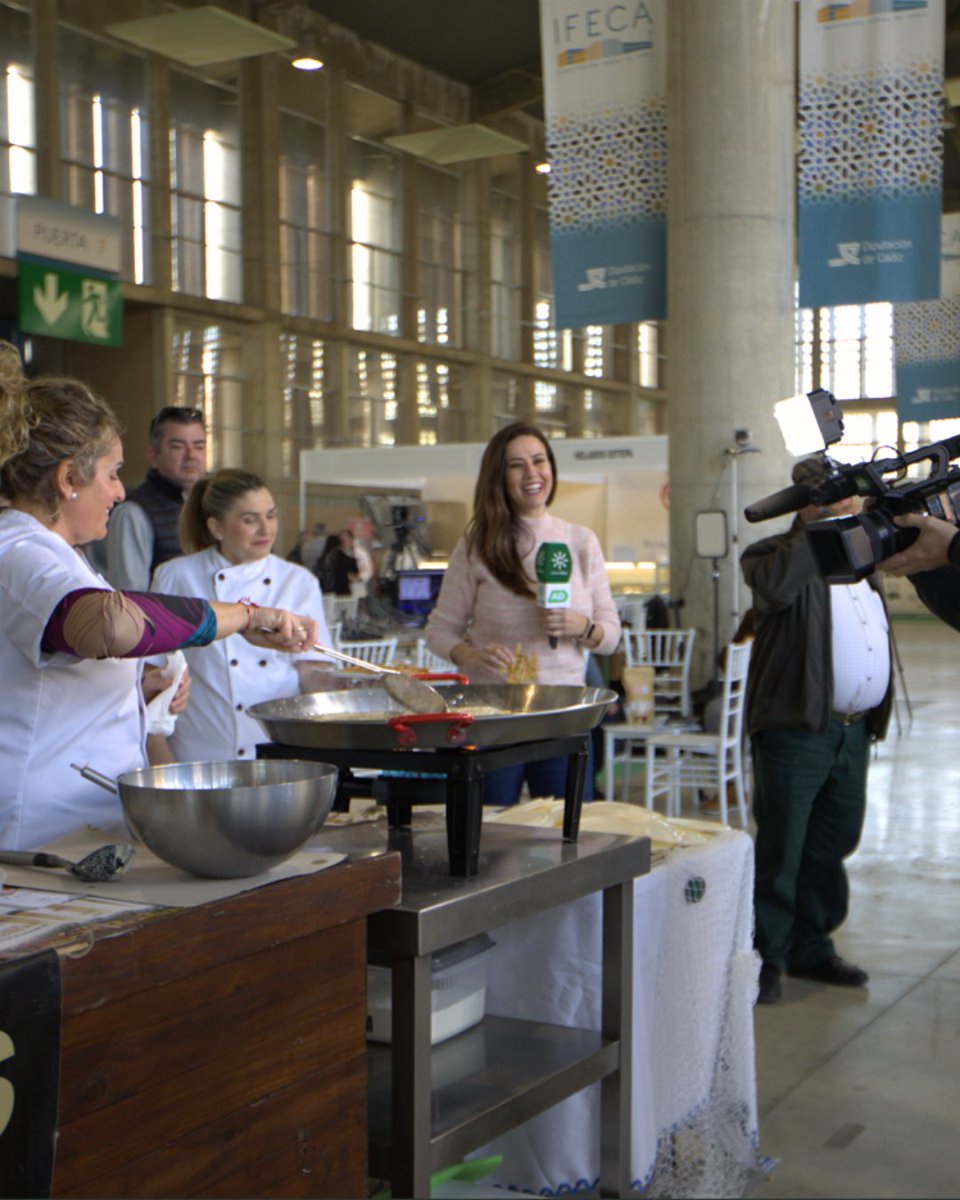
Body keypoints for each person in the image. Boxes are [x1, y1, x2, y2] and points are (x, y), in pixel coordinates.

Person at [0, 343, 318, 851]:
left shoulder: (58, 553)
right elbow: (110, 626)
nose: (120, 491)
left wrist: (137, 690)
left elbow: (58, 671)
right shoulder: (18, 550)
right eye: (110, 473)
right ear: (67, 480)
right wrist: (244, 616)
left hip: (80, 831)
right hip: (39, 831)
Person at [741, 455, 893, 1005]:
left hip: (853, 731)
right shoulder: (771, 556)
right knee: (782, 849)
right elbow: (776, 587)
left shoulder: (863, 559)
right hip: (797, 729)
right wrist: (814, 520)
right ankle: (766, 957)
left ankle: (812, 946)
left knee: (832, 843)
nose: (845, 499)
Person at [425, 421, 621, 805]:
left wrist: (582, 627)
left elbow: (611, 637)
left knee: (565, 834)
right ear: (499, 476)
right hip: (493, 716)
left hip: (563, 714)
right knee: (491, 834)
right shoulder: (476, 546)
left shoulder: (579, 541)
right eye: (517, 465)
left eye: (539, 461)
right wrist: (471, 655)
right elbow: (439, 631)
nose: (532, 474)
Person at [152, 469, 335, 762]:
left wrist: (345, 686)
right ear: (216, 527)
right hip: (199, 754)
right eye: (250, 520)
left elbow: (311, 670)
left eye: (271, 515)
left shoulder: (298, 581)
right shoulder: (175, 576)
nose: (266, 529)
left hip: (276, 751)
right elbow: (157, 674)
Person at [102, 405, 208, 590]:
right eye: (178, 446)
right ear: (153, 456)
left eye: (199, 446)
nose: (191, 455)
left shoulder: (213, 505)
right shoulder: (132, 514)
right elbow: (131, 598)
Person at [315, 531, 359, 597]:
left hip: (324, 592)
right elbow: (355, 570)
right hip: (341, 592)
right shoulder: (343, 558)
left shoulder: (321, 559)